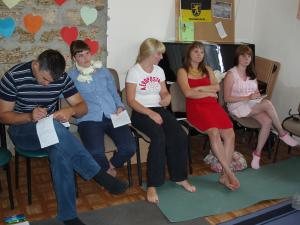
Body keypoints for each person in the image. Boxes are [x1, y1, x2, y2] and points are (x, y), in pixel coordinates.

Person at [0, 49, 128, 225]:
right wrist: (29, 116)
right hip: (23, 130)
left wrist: (71, 110)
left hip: (53, 133)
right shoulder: (13, 77)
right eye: (44, 79)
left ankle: (69, 216)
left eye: (50, 81)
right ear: (36, 65)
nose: (46, 84)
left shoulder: (61, 78)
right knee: (55, 129)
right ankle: (99, 174)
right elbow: (3, 116)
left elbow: (82, 107)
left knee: (60, 151)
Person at [126, 38, 196, 203]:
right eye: (159, 54)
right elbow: (131, 101)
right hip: (140, 112)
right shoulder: (134, 72)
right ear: (148, 54)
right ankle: (152, 184)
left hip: (158, 110)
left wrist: (167, 97)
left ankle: (179, 177)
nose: (161, 57)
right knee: (159, 138)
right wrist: (150, 113)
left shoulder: (159, 71)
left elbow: (164, 92)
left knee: (179, 135)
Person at [177, 41, 240, 190]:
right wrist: (209, 93)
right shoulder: (182, 71)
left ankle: (224, 176)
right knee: (213, 131)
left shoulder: (207, 69)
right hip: (196, 107)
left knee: (230, 134)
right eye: (196, 51)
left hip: (212, 106)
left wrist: (199, 88)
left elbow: (217, 88)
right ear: (189, 53)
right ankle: (229, 172)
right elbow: (187, 93)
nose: (199, 54)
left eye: (201, 52)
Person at [223, 44, 299, 169]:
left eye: (249, 56)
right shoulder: (231, 74)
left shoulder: (252, 74)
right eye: (243, 55)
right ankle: (282, 133)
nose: (246, 58)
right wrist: (248, 98)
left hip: (250, 104)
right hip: (236, 106)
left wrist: (257, 96)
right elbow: (227, 99)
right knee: (268, 104)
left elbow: (254, 92)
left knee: (268, 121)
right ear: (237, 56)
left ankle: (257, 154)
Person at [68, 40, 136, 177]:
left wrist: (120, 106)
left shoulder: (103, 71)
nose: (86, 58)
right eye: (81, 55)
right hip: (89, 119)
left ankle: (110, 166)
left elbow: (114, 93)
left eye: (87, 53)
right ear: (74, 58)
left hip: (113, 115)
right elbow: (71, 101)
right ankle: (106, 171)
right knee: (95, 151)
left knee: (129, 147)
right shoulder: (71, 77)